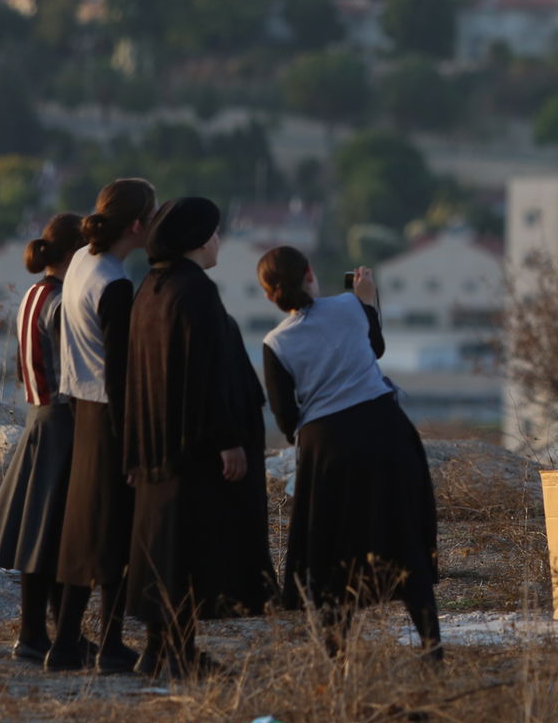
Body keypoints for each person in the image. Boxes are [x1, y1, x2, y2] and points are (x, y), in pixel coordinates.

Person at [257, 247, 441, 660]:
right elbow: (375, 348)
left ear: (269, 294)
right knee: (401, 534)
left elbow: (285, 417)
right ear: (309, 274)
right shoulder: (347, 306)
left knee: (331, 548)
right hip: (385, 430)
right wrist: (367, 300)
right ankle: (432, 649)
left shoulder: (275, 343)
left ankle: (336, 656)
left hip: (327, 446)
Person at [125, 197, 276, 678]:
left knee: (162, 555)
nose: (218, 242)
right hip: (193, 452)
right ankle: (181, 654)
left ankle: (158, 651)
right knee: (188, 555)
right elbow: (206, 375)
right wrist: (227, 440)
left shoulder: (152, 286)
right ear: (194, 238)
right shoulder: (194, 292)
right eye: (212, 233)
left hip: (157, 447)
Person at [50, 177, 156, 672]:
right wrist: (135, 445)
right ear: (137, 224)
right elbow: (121, 373)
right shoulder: (115, 283)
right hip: (111, 414)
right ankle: (110, 643)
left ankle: (66, 639)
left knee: (81, 530)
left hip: (80, 407)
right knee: (116, 532)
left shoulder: (78, 264)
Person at [0, 213, 86, 664]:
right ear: (75, 252)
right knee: (57, 536)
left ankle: (34, 633)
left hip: (37, 418)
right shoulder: (62, 304)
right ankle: (45, 635)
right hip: (63, 422)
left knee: (39, 536)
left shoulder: (31, 297)